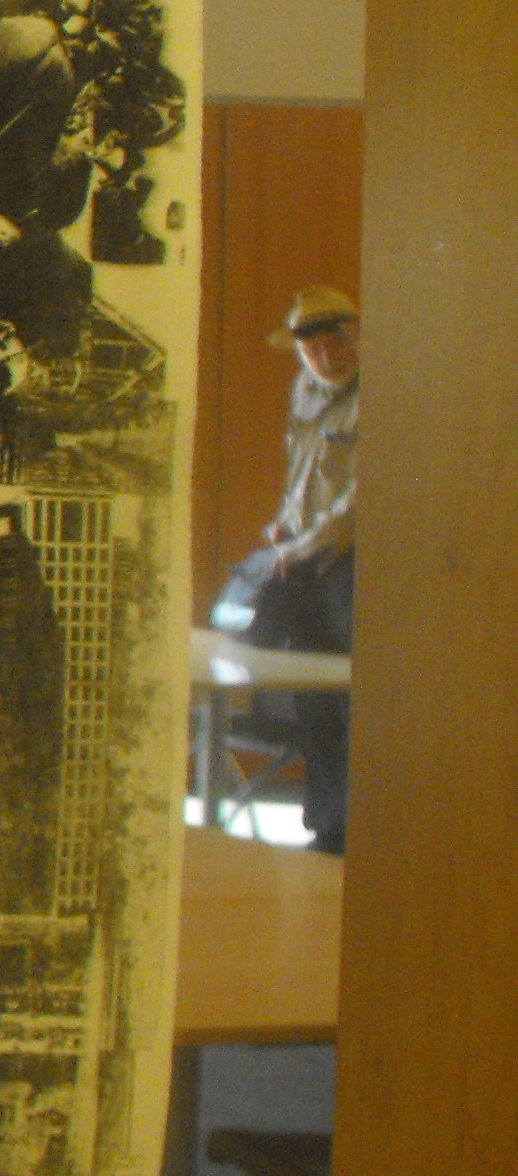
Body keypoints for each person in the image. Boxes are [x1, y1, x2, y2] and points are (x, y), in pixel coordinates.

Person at [254, 283, 360, 854]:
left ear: (357, 336)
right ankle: (327, 827)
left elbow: (361, 501)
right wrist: (283, 527)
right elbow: (301, 470)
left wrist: (305, 544)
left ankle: (362, 832)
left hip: (352, 567)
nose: (327, 356)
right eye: (313, 348)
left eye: (337, 341)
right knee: (312, 697)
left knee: (350, 697)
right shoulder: (304, 388)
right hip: (304, 563)